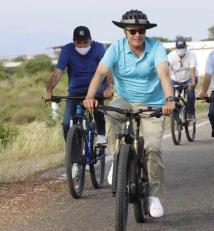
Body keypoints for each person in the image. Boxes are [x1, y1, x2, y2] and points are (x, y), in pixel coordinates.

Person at [83, 10, 175, 218]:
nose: (137, 35)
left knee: (152, 148)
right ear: (125, 32)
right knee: (112, 115)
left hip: (151, 103)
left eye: (141, 31)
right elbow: (100, 73)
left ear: (145, 31)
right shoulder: (116, 48)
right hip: (123, 99)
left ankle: (154, 195)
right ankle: (116, 158)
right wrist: (90, 96)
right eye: (132, 31)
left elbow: (164, 74)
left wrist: (169, 100)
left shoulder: (156, 47)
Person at [42, 26, 113, 144]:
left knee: (97, 107)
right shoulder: (67, 50)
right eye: (79, 43)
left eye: (86, 42)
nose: (82, 46)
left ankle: (101, 136)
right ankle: (72, 151)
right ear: (73, 42)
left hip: (96, 89)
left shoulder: (98, 48)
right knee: (66, 123)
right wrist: (48, 90)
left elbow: (107, 69)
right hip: (75, 91)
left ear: (91, 40)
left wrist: (109, 87)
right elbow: (58, 73)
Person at [168, 39, 198, 121]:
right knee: (171, 97)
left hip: (189, 78)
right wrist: (167, 84)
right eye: (179, 48)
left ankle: (190, 113)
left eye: (182, 47)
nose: (180, 49)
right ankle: (176, 118)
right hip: (176, 79)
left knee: (190, 94)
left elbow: (192, 69)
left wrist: (193, 82)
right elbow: (167, 71)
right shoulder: (170, 56)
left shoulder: (191, 55)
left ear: (185, 47)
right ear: (176, 48)